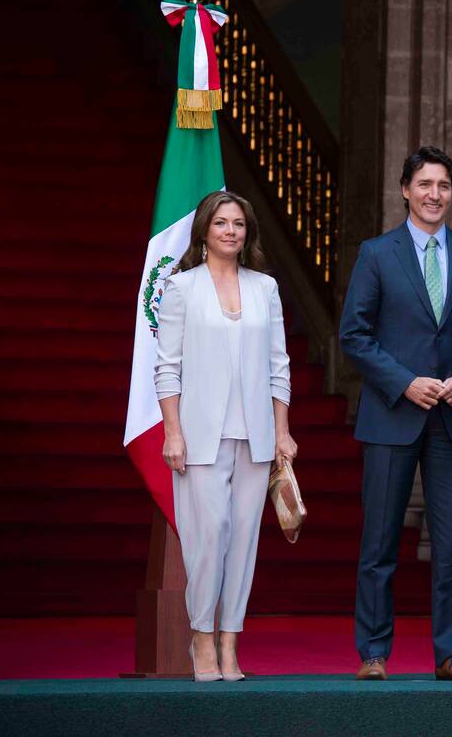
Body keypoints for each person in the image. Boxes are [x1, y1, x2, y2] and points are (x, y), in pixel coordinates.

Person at [340, 145, 452, 682]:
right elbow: (354, 336)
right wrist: (405, 382)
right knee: (380, 541)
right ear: (405, 189)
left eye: (444, 186)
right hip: (391, 415)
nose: (434, 195)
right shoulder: (376, 254)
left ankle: (450, 654)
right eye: (424, 184)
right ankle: (374, 654)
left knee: (451, 545)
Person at [154, 190, 297, 683]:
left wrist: (282, 431)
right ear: (204, 231)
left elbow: (279, 364)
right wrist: (172, 432)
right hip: (198, 435)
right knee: (209, 534)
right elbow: (167, 368)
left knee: (243, 541)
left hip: (256, 436)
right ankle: (201, 638)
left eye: (238, 223)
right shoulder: (181, 288)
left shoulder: (266, 288)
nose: (231, 231)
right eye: (221, 223)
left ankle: (230, 642)